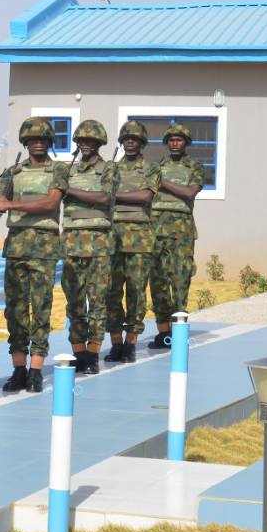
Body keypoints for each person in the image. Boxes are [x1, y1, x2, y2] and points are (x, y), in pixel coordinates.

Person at [0, 117, 69, 393]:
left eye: (43, 139)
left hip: (43, 245)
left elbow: (51, 202)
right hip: (16, 245)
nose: (38, 143)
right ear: (25, 142)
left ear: (49, 142)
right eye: (33, 139)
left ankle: (36, 368)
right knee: (14, 310)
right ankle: (18, 369)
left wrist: (11, 204)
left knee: (40, 308)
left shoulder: (58, 170)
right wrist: (3, 203)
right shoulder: (12, 172)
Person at [60, 120, 116, 375]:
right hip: (71, 242)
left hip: (98, 244)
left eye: (90, 140)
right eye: (81, 140)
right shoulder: (67, 170)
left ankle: (93, 353)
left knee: (98, 301)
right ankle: (78, 351)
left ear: (99, 142)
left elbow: (104, 198)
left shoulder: (108, 169)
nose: (85, 144)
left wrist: (69, 190)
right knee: (74, 301)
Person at [105, 121, 160, 363]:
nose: (130, 142)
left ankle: (131, 343)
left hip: (139, 239)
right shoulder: (111, 169)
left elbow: (145, 197)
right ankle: (116, 342)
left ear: (142, 142)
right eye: (126, 138)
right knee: (111, 292)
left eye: (134, 139)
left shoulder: (151, 168)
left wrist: (113, 196)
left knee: (136, 292)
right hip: (113, 237)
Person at [149, 123, 204, 349]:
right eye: (171, 140)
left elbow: (189, 192)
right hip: (156, 230)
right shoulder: (156, 166)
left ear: (186, 143)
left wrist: (161, 181)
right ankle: (163, 333)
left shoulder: (195, 167)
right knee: (158, 282)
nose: (174, 143)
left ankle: (178, 331)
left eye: (179, 140)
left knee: (181, 281)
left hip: (181, 232)